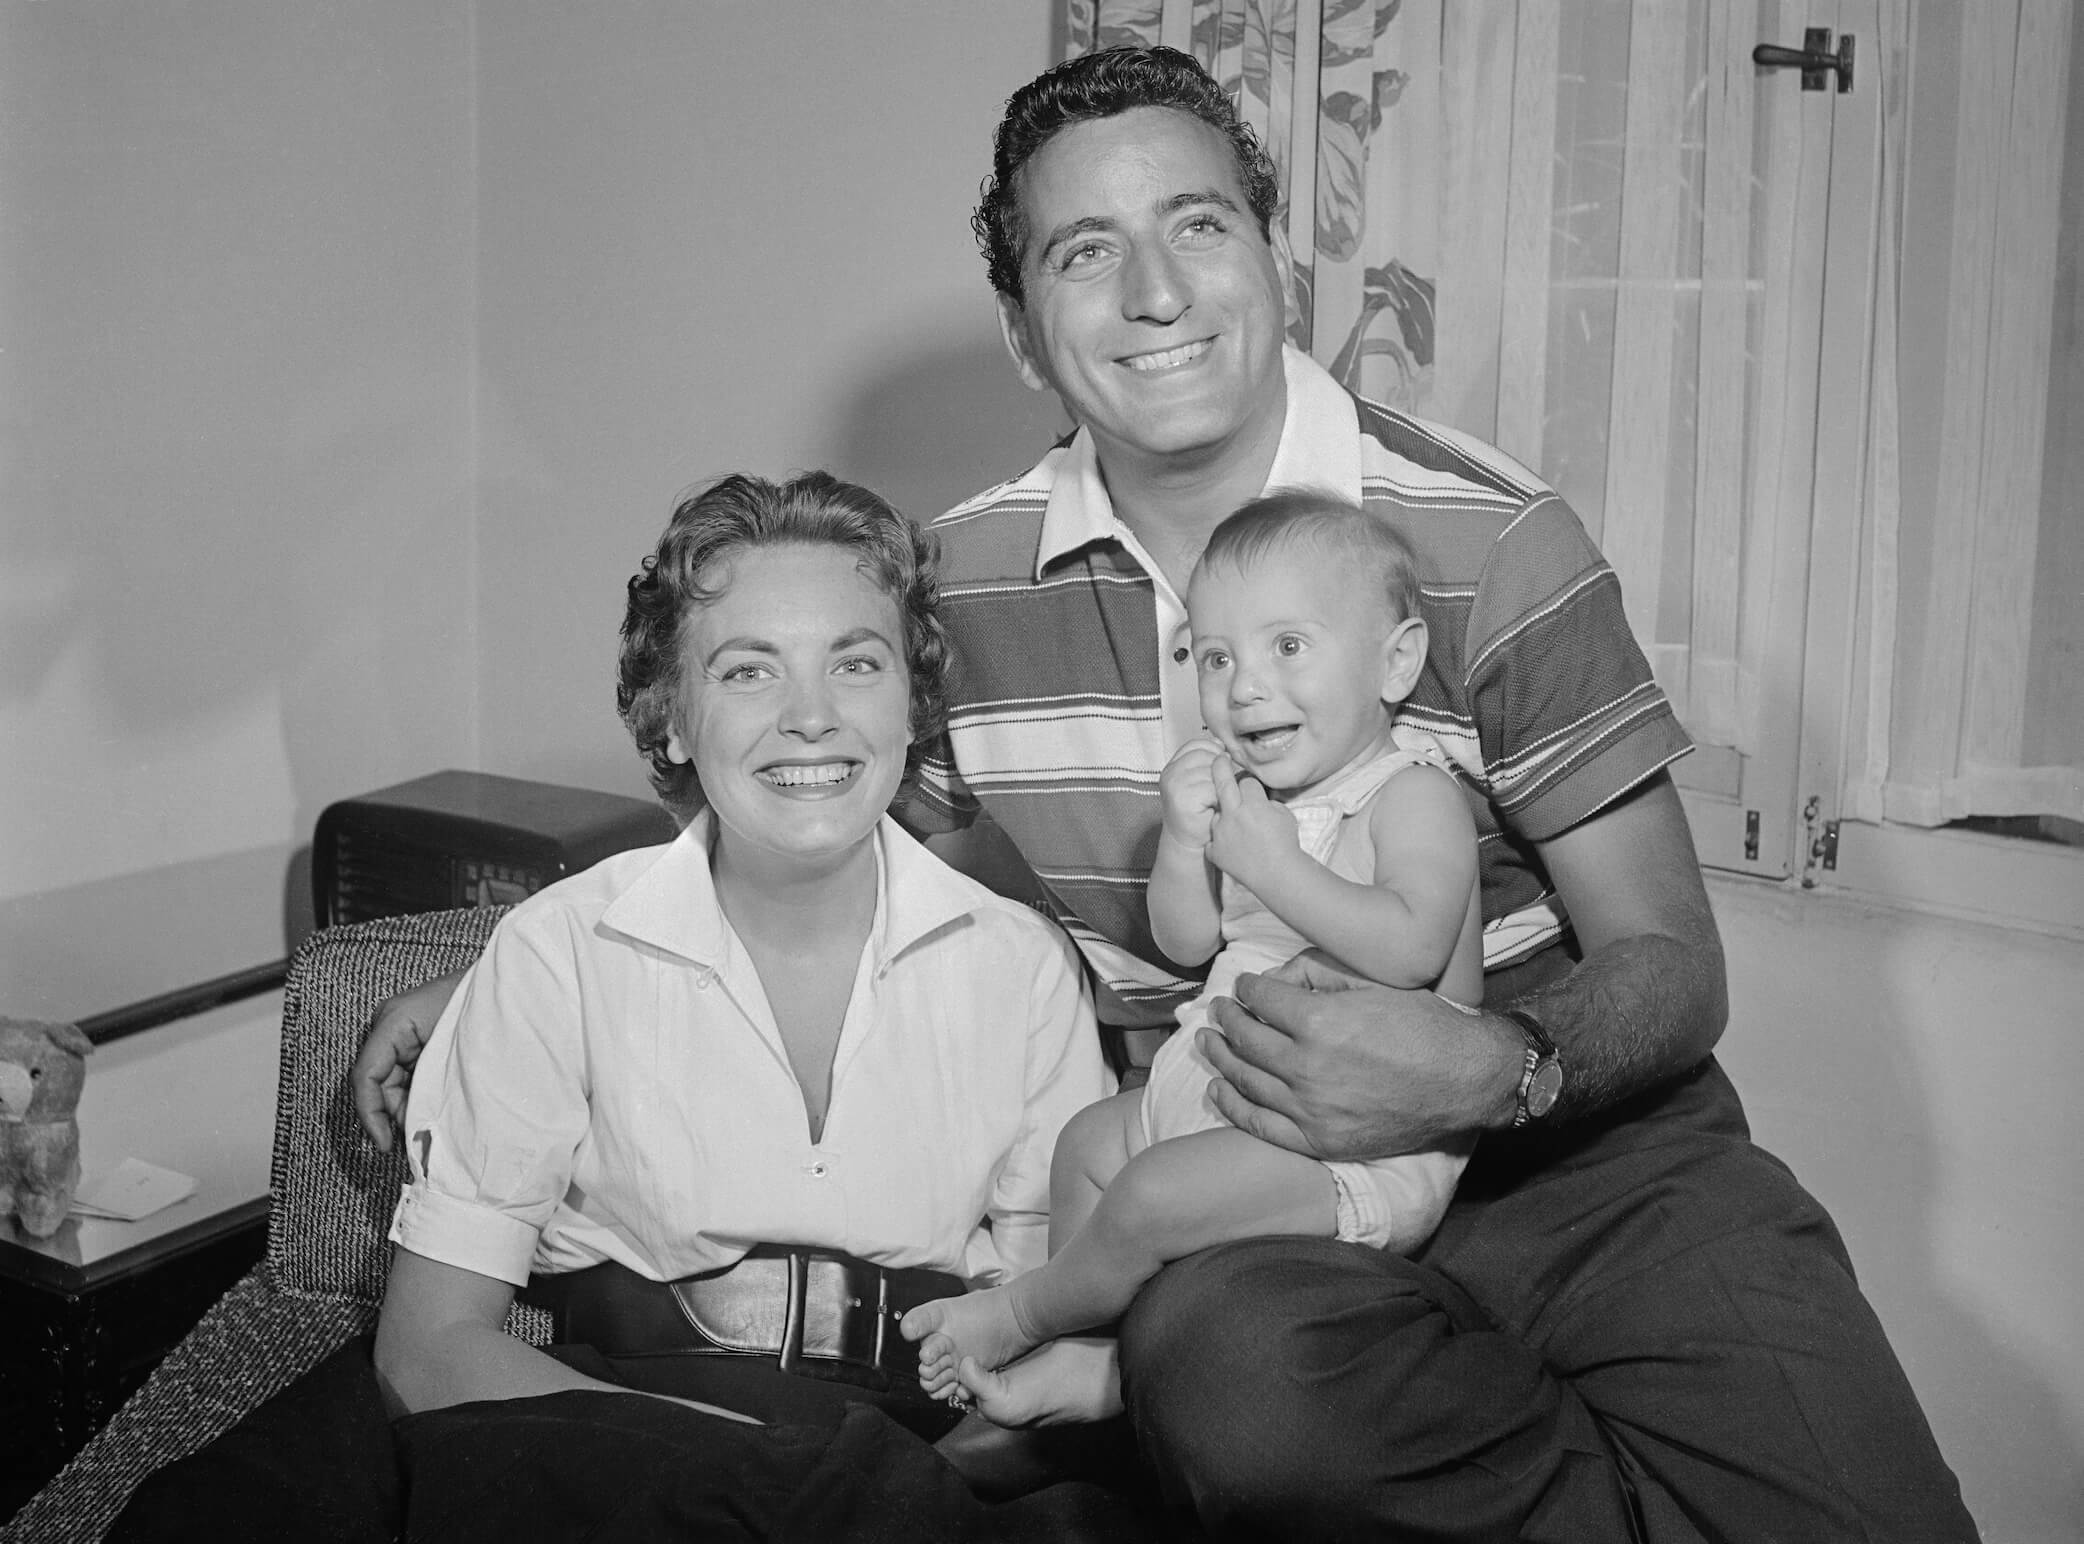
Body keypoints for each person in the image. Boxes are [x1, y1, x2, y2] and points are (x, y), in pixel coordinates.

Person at [355, 43, 1977, 1542]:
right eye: (1083, 251)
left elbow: (1670, 959)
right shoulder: (961, 587)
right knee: (1249, 1408)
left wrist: (1492, 1065)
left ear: (1275, 259)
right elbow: (809, 793)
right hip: (1230, 1174)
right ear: (1023, 331)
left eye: (1195, 224)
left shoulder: (1487, 539)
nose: (1151, 292)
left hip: (1594, 1160)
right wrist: (510, 962)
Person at [903, 492, 1484, 1421]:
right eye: (1217, 658)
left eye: (1287, 647)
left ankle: (1022, 1316)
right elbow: (1188, 942)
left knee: (1148, 1197)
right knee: (1087, 1145)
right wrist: (1183, 843)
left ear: (1396, 661)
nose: (1246, 686)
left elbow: (1413, 949)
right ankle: (1094, 1362)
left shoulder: (1409, 795)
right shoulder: (1254, 801)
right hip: (1217, 1091)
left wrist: (1277, 866)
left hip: (1355, 1145)